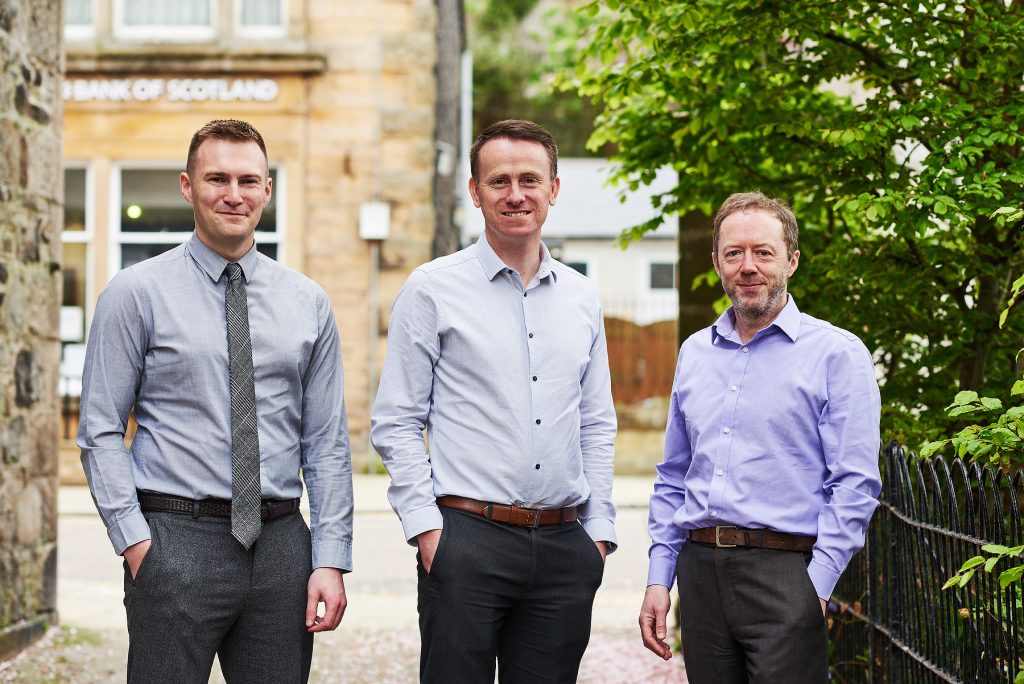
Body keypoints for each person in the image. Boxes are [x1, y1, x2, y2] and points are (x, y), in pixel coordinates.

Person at [78, 119, 352, 683]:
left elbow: (326, 443)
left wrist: (329, 558)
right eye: (217, 179)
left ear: (267, 190)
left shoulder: (309, 303)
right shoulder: (136, 294)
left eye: (249, 181)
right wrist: (135, 543)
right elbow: (99, 429)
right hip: (174, 537)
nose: (234, 194)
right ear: (187, 186)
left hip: (280, 547)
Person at [370, 119, 617, 683]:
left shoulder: (583, 299)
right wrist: (427, 530)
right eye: (499, 181)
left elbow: (596, 423)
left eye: (530, 179)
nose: (515, 194)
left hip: (564, 545)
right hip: (466, 541)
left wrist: (597, 533)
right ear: (475, 191)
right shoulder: (432, 289)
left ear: (553, 188)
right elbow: (397, 421)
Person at [638, 191, 881, 682]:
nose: (748, 266)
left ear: (791, 260)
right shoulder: (695, 353)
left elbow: (855, 483)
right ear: (717, 263)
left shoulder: (837, 354)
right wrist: (659, 578)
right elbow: (674, 476)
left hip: (787, 575)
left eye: (763, 252)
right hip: (700, 576)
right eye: (734, 253)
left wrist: (814, 588)